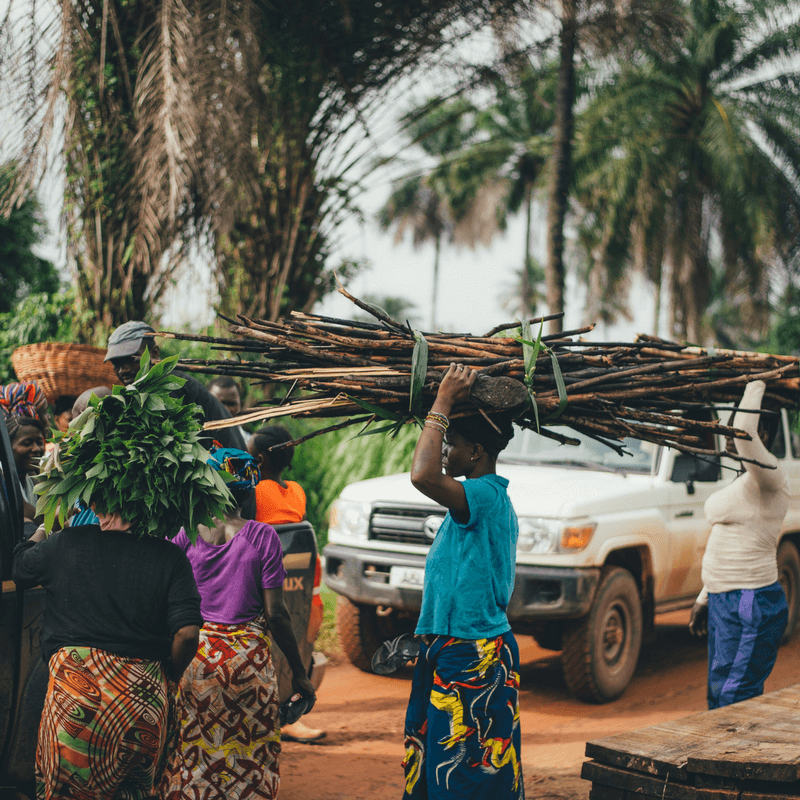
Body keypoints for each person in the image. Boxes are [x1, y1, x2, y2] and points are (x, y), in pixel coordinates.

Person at [11, 370, 207, 800]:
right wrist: (165, 674)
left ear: (92, 496)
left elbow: (22, 568)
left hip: (75, 709)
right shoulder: (169, 558)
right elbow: (188, 633)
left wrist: (45, 521)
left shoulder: (66, 544)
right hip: (143, 708)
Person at [163, 447, 317, 799]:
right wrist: (299, 671)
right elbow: (276, 613)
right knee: (248, 755)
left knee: (191, 752)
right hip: (246, 662)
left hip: (194, 657)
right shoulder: (262, 537)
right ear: (249, 491)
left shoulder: (187, 533)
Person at [402, 363, 523, 800]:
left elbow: (422, 475)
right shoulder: (474, 502)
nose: (446, 453)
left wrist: (443, 401)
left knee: (465, 769)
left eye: (452, 445)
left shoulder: (485, 495)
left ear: (475, 452)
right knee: (442, 758)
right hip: (454, 647)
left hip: (475, 655)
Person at [689, 380, 790, 709]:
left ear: (763, 430)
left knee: (735, 696)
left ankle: (735, 759)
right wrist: (705, 598)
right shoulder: (743, 481)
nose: (731, 430)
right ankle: (719, 758)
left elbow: (744, 428)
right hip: (723, 600)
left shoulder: (771, 477)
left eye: (737, 424)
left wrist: (757, 380)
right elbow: (726, 543)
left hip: (751, 602)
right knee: (717, 694)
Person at [248, 425, 325, 744]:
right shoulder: (295, 490)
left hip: (265, 581)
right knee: (294, 650)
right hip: (302, 583)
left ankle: (266, 720)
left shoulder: (254, 492)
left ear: (260, 460)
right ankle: (287, 717)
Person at [104, 320, 246, 450]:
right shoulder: (150, 389)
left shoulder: (168, 385)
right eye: (116, 364)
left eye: (131, 359)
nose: (123, 370)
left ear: (154, 353)